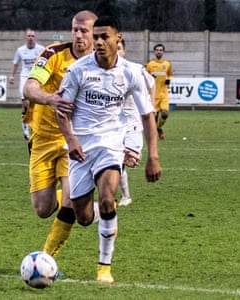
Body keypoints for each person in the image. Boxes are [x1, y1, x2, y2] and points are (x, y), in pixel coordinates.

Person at [56, 16, 162, 284]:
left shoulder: (130, 72)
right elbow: (61, 109)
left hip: (111, 146)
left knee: (107, 198)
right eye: (97, 36)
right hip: (81, 149)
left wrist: (152, 156)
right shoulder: (78, 70)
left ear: (119, 38)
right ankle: (105, 219)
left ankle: (104, 267)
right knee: (83, 216)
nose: (99, 41)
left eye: (105, 36)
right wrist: (71, 140)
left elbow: (147, 116)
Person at [22, 10, 98, 258]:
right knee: (43, 209)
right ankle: (90, 204)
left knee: (69, 205)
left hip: (73, 140)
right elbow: (30, 87)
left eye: (84, 31)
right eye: (75, 29)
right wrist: (50, 99)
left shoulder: (99, 63)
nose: (78, 35)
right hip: (42, 138)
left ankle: (46, 259)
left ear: (94, 33)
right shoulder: (54, 54)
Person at [117, 38, 156, 206]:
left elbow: (152, 82)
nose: (116, 51)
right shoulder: (102, 71)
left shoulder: (135, 69)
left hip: (133, 121)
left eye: (119, 48)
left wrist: (151, 104)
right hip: (115, 123)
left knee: (131, 161)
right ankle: (125, 196)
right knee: (116, 160)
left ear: (124, 51)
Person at [8, 29, 44, 140]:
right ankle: (26, 130)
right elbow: (15, 63)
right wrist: (11, 75)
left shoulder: (41, 49)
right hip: (24, 78)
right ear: (25, 37)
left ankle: (36, 127)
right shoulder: (20, 50)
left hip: (37, 77)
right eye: (29, 36)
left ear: (35, 37)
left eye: (32, 36)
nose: (30, 38)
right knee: (26, 103)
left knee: (37, 105)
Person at [146, 43, 173, 140]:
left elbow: (170, 75)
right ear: (154, 52)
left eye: (161, 50)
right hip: (153, 95)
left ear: (163, 52)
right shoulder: (150, 64)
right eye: (157, 50)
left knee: (165, 114)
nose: (159, 51)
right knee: (154, 116)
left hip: (163, 95)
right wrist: (150, 78)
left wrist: (169, 79)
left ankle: (159, 127)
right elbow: (145, 77)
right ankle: (154, 132)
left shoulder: (167, 64)